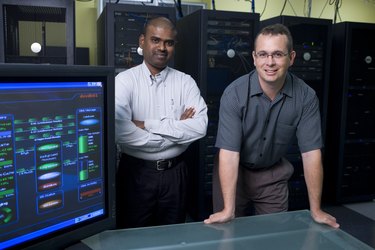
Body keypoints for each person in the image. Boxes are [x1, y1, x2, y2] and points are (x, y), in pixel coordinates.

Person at [204, 23, 339, 229]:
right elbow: (229, 154)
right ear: (254, 58)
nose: (270, 62)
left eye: (277, 54)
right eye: (263, 54)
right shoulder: (234, 94)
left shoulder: (306, 97)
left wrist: (316, 209)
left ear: (291, 57)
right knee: (227, 234)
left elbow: (311, 154)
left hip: (273, 173)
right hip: (234, 172)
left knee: (272, 235)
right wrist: (228, 209)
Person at [115, 16, 208, 228]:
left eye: (169, 42)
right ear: (142, 41)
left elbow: (200, 127)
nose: (162, 47)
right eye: (155, 40)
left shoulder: (185, 82)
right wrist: (176, 134)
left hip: (176, 175)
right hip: (136, 174)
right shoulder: (124, 82)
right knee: (132, 237)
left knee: (172, 235)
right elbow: (119, 131)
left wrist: (147, 124)